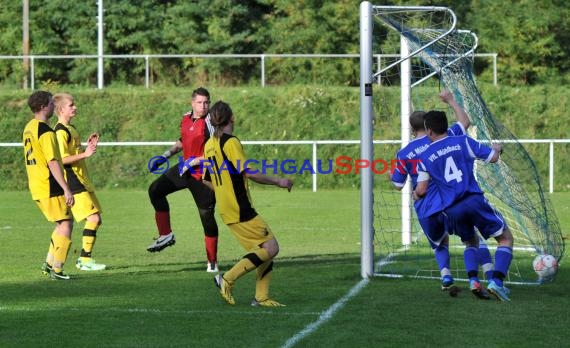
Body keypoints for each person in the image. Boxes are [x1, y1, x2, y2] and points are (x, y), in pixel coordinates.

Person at [390, 90, 494, 293]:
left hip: (425, 206)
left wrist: (389, 174)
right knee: (471, 238)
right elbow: (465, 121)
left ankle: (446, 275)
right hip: (450, 201)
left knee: (439, 242)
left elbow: (398, 184)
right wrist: (451, 101)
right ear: (429, 127)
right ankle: (489, 276)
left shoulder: (404, 153)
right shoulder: (447, 136)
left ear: (412, 129)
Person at [415, 110, 514, 301]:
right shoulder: (463, 141)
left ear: (429, 131)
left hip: (451, 209)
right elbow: (493, 157)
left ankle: (473, 281)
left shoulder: (425, 156)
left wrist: (415, 195)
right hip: (473, 200)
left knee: (471, 242)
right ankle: (497, 283)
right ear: (445, 125)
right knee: (505, 239)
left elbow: (421, 190)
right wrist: (497, 148)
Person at [202, 101, 293, 307]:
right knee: (271, 247)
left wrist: (223, 192)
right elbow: (248, 172)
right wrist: (279, 181)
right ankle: (227, 279)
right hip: (240, 208)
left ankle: (261, 297)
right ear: (231, 118)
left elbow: (206, 178)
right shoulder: (230, 142)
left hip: (227, 208)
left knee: (264, 247)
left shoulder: (209, 145)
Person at [147, 87, 219, 273]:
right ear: (192, 103)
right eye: (200, 102)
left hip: (203, 175)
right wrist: (164, 156)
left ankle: (212, 261)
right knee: (155, 190)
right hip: (184, 169)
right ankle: (166, 234)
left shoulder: (211, 123)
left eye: (206, 102)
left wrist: (194, 162)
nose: (204, 106)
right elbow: (182, 142)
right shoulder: (186, 118)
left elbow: (217, 152)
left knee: (206, 217)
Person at [23, 90, 75, 280]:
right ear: (44, 106)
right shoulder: (46, 131)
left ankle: (49, 264)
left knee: (60, 224)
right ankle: (58, 269)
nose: (54, 106)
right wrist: (66, 188)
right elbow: (52, 162)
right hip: (49, 184)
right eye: (52, 104)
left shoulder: (29, 127)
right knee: (67, 224)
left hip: (36, 185)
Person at [53, 93, 106, 271]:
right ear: (61, 110)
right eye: (71, 105)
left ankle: (82, 259)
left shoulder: (71, 129)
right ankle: (84, 260)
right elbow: (61, 159)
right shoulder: (60, 132)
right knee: (93, 217)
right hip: (72, 180)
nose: (75, 107)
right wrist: (85, 154)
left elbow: (74, 153)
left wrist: (87, 147)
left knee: (96, 219)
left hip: (82, 179)